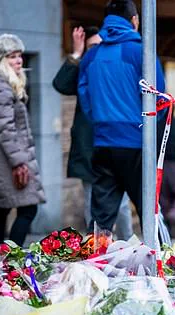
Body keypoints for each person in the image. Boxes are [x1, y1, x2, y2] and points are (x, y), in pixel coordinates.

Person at [78, 0, 169, 243]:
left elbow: (85, 97)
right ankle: (163, 260)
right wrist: (146, 127)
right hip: (136, 144)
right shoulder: (141, 53)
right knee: (150, 212)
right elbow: (159, 98)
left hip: (103, 142)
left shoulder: (92, 56)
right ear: (134, 20)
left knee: (100, 220)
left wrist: (101, 122)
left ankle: (94, 263)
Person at [53, 25, 133, 240]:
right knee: (92, 203)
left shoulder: (114, 69)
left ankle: (129, 247)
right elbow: (61, 84)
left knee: (122, 205)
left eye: (101, 45)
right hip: (89, 148)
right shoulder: (84, 70)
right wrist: (76, 54)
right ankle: (96, 249)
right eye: (92, 47)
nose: (97, 50)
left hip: (117, 144)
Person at [0, 34, 45, 245]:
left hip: (2, 160)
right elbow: (6, 129)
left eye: (19, 55)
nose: (19, 60)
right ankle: (12, 256)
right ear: (1, 61)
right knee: (28, 209)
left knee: (1, 210)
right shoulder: (2, 90)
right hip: (8, 162)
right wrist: (19, 162)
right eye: (12, 56)